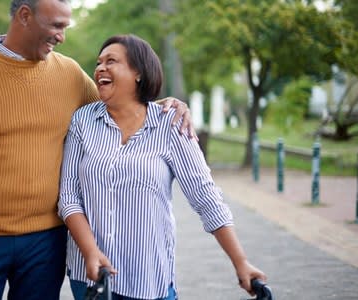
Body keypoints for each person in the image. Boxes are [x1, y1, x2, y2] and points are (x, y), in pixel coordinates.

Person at [0, 1, 195, 300]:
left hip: (46, 243)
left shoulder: (69, 74)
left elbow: (121, 106)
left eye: (65, 27)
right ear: (25, 16)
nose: (61, 36)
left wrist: (166, 107)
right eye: (56, 26)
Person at [58, 34, 267, 300]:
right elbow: (68, 197)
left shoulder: (171, 125)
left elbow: (205, 197)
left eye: (112, 61)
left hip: (148, 277)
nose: (100, 68)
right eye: (99, 62)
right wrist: (90, 251)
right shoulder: (83, 121)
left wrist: (241, 262)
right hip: (90, 275)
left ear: (138, 73)